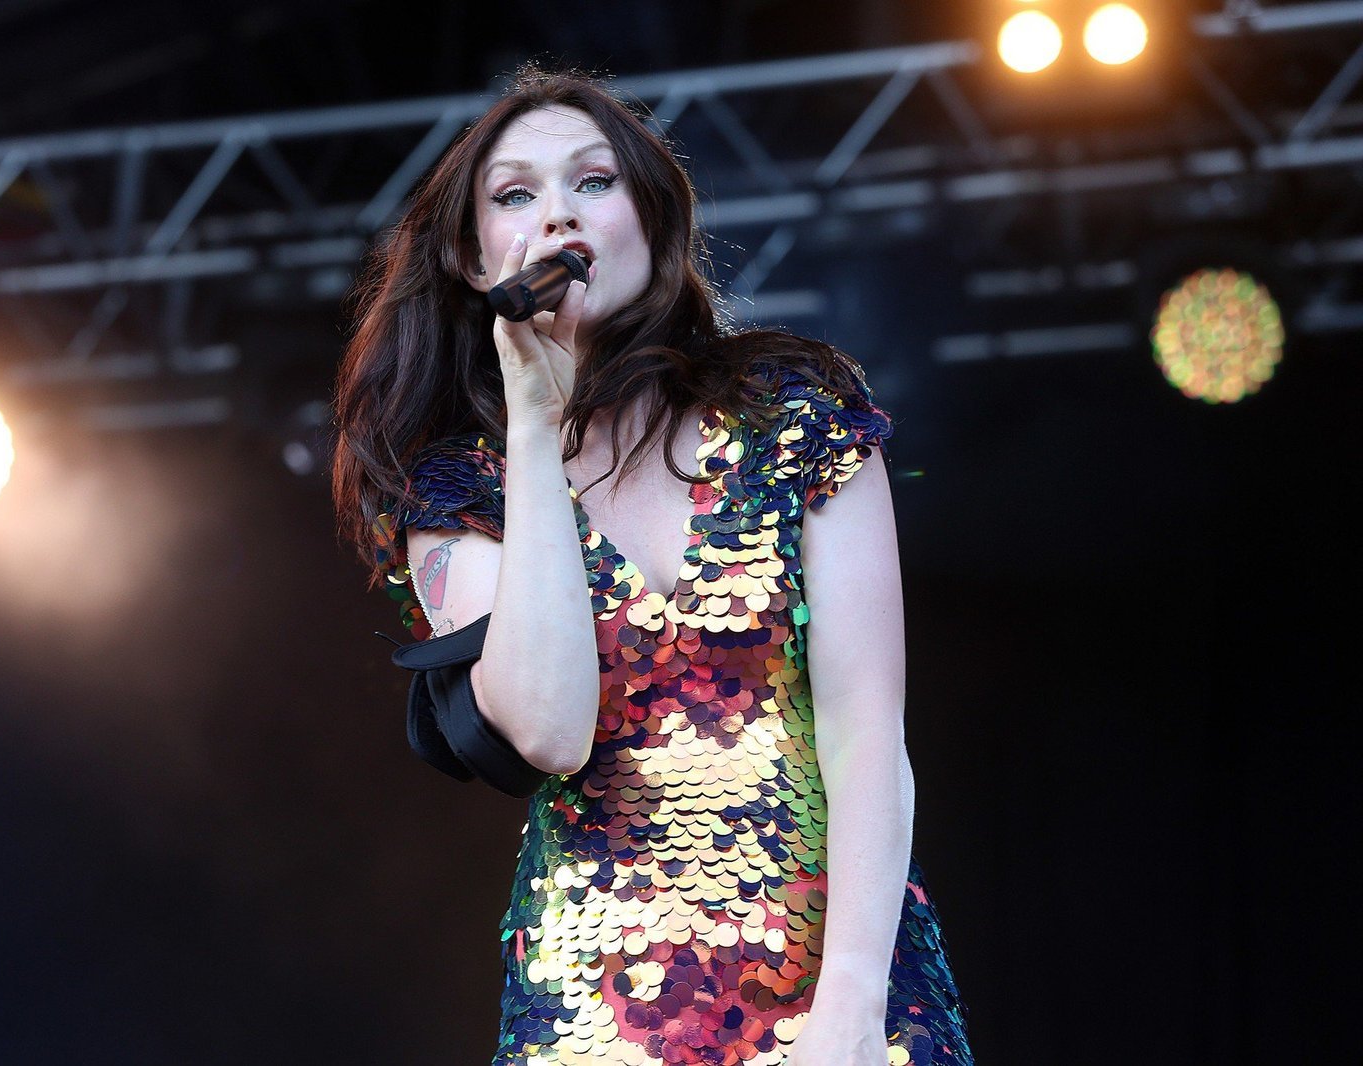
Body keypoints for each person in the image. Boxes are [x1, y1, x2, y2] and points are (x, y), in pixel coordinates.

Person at [331, 64, 973, 1066]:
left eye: (593, 182)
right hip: (596, 1013)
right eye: (515, 195)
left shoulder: (794, 413)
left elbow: (865, 731)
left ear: (653, 221)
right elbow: (546, 727)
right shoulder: (457, 492)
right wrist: (535, 435)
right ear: (472, 259)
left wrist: (848, 1007)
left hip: (841, 987)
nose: (556, 216)